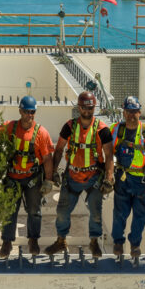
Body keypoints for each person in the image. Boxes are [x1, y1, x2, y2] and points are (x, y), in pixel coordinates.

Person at [44, 91, 115, 257]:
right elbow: (59, 149)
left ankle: (94, 242)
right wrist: (53, 172)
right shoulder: (69, 126)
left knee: (96, 213)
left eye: (90, 108)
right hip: (72, 177)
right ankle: (61, 241)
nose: (87, 111)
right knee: (62, 212)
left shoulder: (102, 129)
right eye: (84, 107)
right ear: (79, 107)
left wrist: (109, 178)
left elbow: (109, 155)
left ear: (94, 108)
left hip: (93, 178)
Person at [0, 95, 54, 257]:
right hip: (12, 178)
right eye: (26, 111)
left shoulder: (41, 133)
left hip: (32, 179)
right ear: (20, 111)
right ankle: (7, 242)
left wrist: (48, 180)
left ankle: (33, 240)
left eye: (32, 112)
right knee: (10, 211)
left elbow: (47, 159)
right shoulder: (10, 127)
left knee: (34, 211)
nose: (29, 115)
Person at [109, 96, 145, 262]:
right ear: (123, 112)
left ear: (139, 112)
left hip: (142, 181)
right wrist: (108, 174)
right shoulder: (116, 130)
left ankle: (135, 244)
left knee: (140, 215)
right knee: (120, 214)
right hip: (123, 179)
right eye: (128, 111)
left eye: (134, 112)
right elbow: (106, 153)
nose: (131, 115)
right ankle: (118, 243)